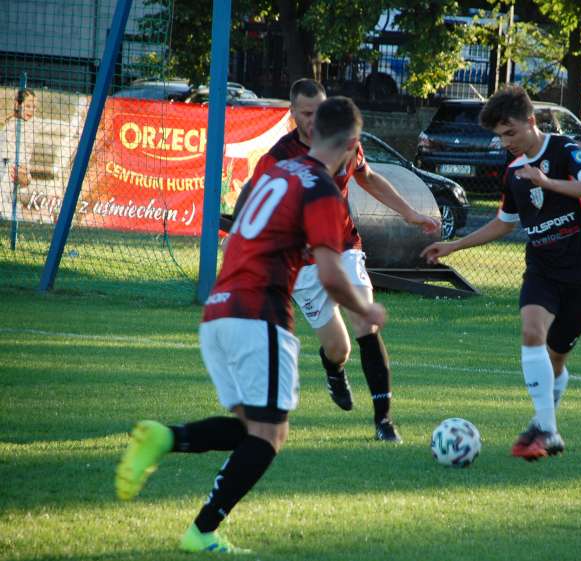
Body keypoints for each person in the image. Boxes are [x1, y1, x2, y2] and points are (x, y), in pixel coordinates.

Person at [116, 96, 387, 553]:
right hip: (258, 313)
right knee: (270, 435)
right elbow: (328, 272)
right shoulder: (320, 187)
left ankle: (166, 439)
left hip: (218, 312)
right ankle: (200, 529)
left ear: (313, 131)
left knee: (251, 428)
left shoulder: (278, 170)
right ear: (353, 145)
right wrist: (367, 307)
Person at [228, 78, 439, 442]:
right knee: (338, 347)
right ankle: (333, 368)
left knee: (365, 322)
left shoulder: (344, 144)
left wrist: (410, 213)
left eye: (318, 112)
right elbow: (252, 194)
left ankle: (384, 421)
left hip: (344, 246)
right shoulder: (279, 157)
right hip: (304, 264)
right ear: (292, 114)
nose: (313, 120)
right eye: (305, 113)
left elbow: (369, 179)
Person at [421, 85, 581, 462]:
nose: (506, 142)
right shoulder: (511, 173)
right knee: (531, 331)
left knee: (556, 359)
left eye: (511, 133)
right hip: (542, 267)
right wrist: (454, 245)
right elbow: (504, 223)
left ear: (530, 121)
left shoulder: (567, 150)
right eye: (500, 136)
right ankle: (548, 429)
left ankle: (543, 424)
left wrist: (546, 182)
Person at [0, 88, 37, 221]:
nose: (31, 110)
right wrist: (23, 175)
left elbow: (23, 176)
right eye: (27, 106)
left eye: (34, 107)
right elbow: (11, 170)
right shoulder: (11, 128)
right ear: (17, 104)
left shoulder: (27, 129)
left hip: (10, 194)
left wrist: (25, 175)